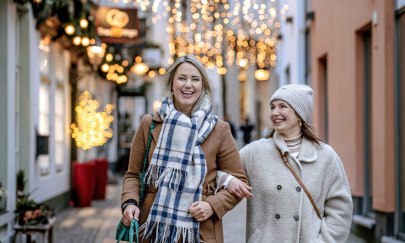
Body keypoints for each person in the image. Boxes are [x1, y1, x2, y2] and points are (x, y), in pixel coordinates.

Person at [121, 54, 248, 243]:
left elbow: (239, 181)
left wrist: (212, 205)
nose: (188, 85)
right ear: (172, 83)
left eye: (195, 79)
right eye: (182, 78)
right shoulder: (150, 124)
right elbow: (133, 174)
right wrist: (130, 203)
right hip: (151, 228)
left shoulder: (219, 129)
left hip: (200, 230)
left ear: (202, 86)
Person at [219, 84, 353, 242]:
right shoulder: (254, 152)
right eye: (272, 107)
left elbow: (340, 208)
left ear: (299, 115)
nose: (275, 113)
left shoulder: (326, 156)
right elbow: (217, 170)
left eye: (283, 106)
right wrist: (227, 180)